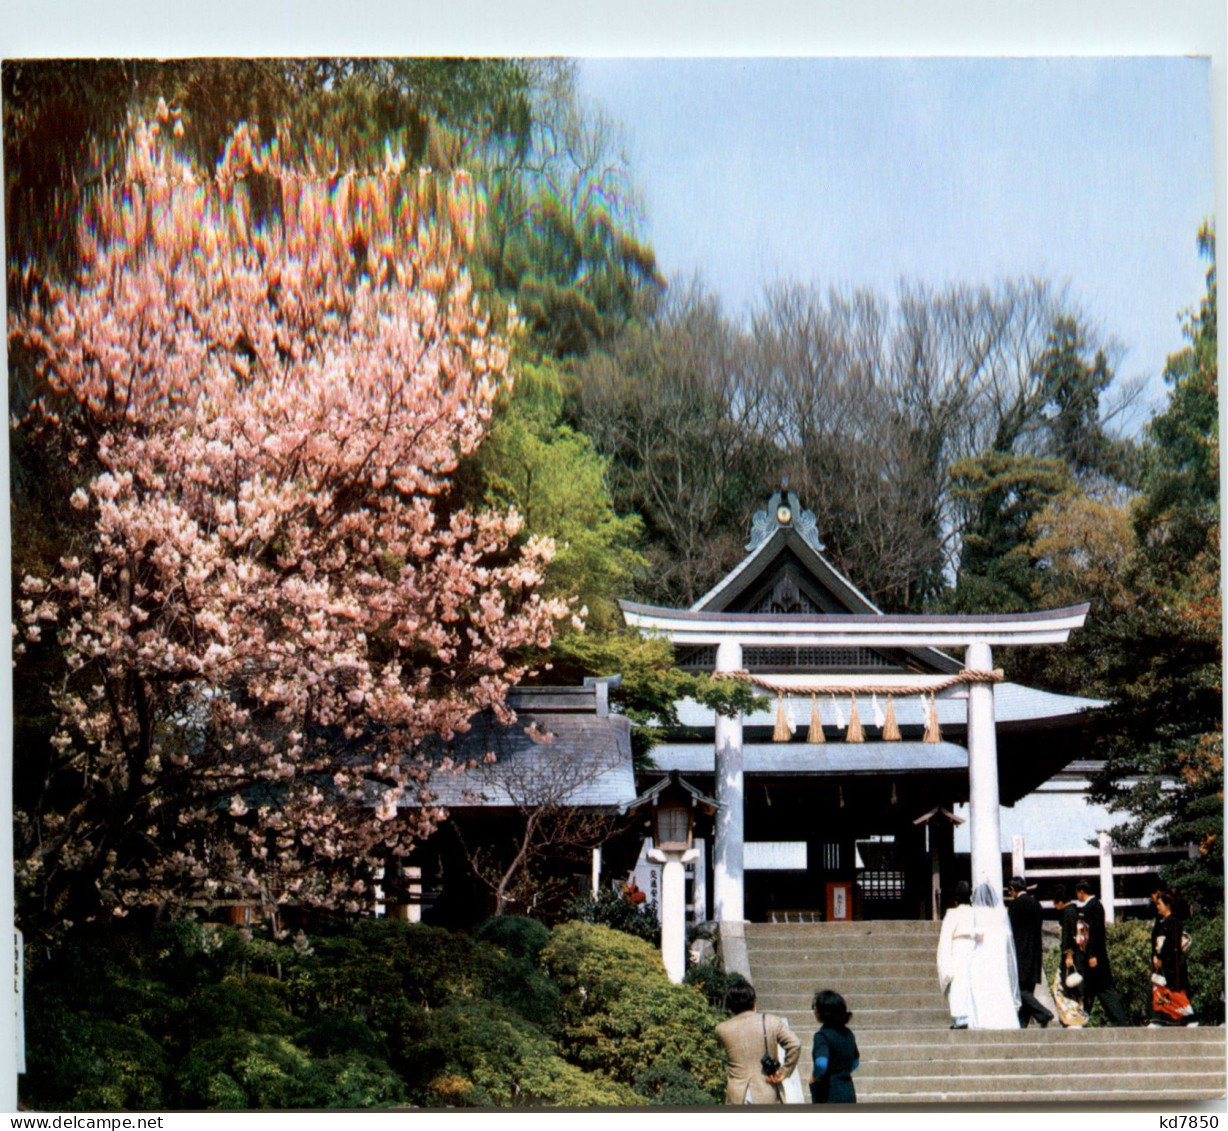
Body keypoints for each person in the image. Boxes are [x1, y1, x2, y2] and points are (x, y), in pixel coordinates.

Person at [715, 982, 802, 1104]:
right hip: (767, 1089)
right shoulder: (772, 1022)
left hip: (737, 1094)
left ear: (730, 1005)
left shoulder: (722, 1029)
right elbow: (795, 1044)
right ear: (754, 1001)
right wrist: (784, 1071)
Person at [1073, 878, 1129, 1026]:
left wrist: (1092, 955)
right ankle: (1082, 1018)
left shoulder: (1093, 907)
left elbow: (1095, 933)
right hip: (1092, 956)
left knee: (1104, 989)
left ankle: (1120, 1019)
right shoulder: (1092, 906)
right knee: (1090, 990)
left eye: (1077, 893)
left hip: (1096, 957)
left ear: (1082, 891)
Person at [966, 881, 1021, 1029]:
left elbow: (978, 935)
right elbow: (1006, 934)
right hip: (997, 956)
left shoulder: (976, 912)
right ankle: (1004, 1019)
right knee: (999, 986)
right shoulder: (1001, 912)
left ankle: (983, 1020)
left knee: (981, 987)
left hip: (982, 955)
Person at [1007, 876, 1054, 1028]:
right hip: (1035, 953)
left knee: (1021, 991)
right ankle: (1022, 1023)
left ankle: (1043, 1013)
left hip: (1020, 953)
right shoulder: (1036, 904)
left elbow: (1011, 930)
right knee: (1028, 990)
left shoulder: (1015, 905)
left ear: (1013, 889)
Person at [1150, 890, 1196, 1027]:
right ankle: (1158, 1019)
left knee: (1176, 993)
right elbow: (1154, 941)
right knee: (1158, 991)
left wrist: (1160, 957)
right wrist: (1154, 956)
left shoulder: (1174, 922)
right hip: (1160, 963)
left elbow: (1171, 944)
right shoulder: (1160, 922)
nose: (1157, 906)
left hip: (1172, 964)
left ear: (1168, 905)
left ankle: (1191, 1018)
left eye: (1160, 904)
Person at [808, 989, 859, 1104]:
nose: (814, 1011)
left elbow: (821, 1063)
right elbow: (855, 1062)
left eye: (816, 1008)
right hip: (848, 1090)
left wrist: (814, 1077)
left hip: (828, 1093)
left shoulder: (822, 1036)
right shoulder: (848, 1033)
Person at [937, 880, 975, 1029]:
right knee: (972, 983)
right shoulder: (976, 913)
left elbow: (945, 938)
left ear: (956, 899)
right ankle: (974, 1016)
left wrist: (944, 961)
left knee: (959, 984)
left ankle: (961, 1017)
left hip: (958, 950)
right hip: (974, 949)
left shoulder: (952, 914)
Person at [1051, 884, 1089, 1027]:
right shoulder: (1076, 911)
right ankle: (1076, 1017)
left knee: (1060, 987)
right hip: (1079, 955)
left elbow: (1068, 936)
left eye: (1055, 902)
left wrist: (1068, 956)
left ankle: (1072, 1017)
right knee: (1074, 988)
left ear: (1060, 900)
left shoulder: (1067, 913)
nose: (1054, 906)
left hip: (1071, 956)